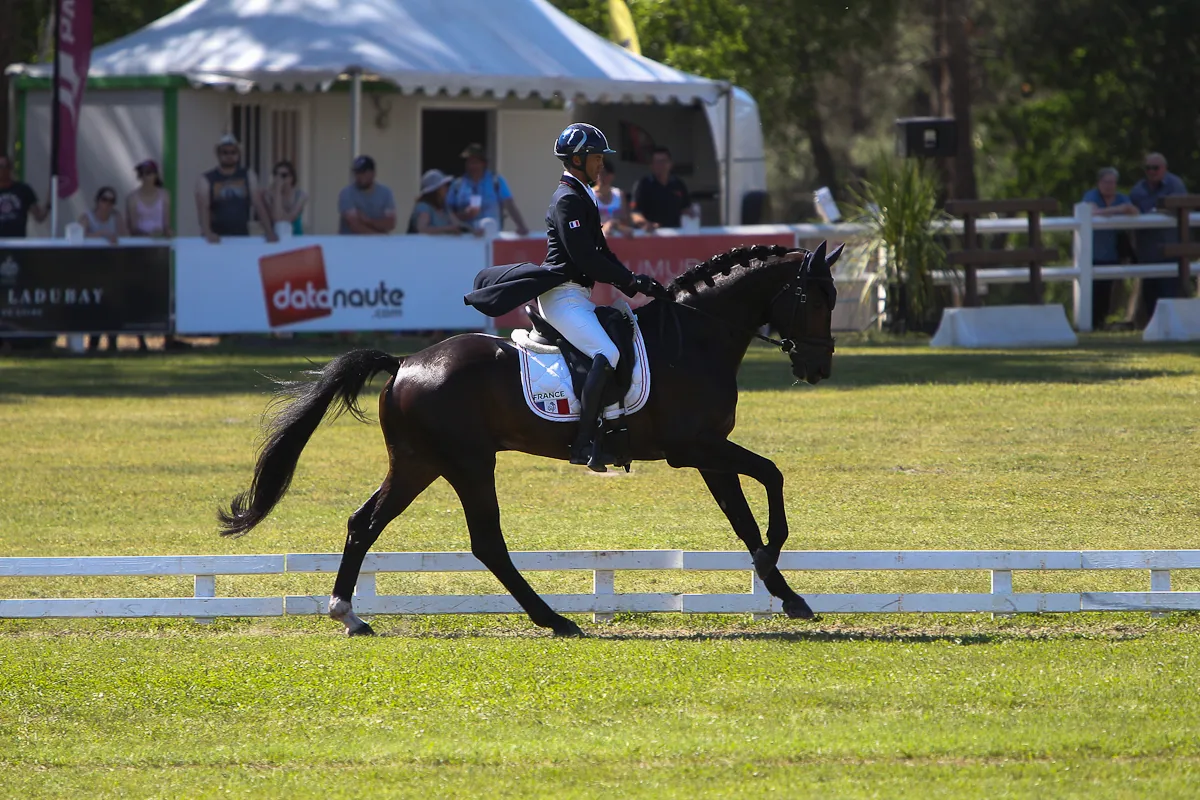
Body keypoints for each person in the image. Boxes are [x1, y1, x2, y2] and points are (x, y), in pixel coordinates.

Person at [540, 123, 671, 470]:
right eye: (597, 157)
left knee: (619, 335)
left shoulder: (584, 195)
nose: (602, 164)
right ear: (579, 159)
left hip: (577, 296)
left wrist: (635, 283)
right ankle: (584, 444)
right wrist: (630, 279)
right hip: (561, 296)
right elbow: (585, 258)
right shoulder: (567, 199)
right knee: (607, 351)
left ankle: (610, 427)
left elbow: (603, 252)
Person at [1130, 152, 1188, 320]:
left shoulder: (1175, 185)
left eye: (1155, 168)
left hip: (1171, 249)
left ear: (1164, 168)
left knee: (1169, 292)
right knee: (1150, 294)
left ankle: (1172, 325)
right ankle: (1152, 326)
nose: (1152, 171)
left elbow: (1180, 208)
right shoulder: (1139, 189)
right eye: (1148, 168)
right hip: (1148, 250)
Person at [1081, 167, 1137, 328]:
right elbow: (1090, 211)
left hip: (1111, 252)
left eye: (1112, 182)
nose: (1109, 186)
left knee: (1106, 290)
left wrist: (1107, 211)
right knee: (1091, 290)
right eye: (1106, 182)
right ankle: (1090, 322)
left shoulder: (1121, 197)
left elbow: (1134, 210)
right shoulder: (1091, 196)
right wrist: (1119, 210)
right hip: (1091, 253)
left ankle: (1099, 322)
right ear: (1099, 182)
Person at [195, 134, 276, 244]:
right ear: (218, 154)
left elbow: (258, 204)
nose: (229, 155)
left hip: (242, 237)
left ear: (238, 154)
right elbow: (203, 208)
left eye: (233, 152)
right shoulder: (206, 179)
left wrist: (269, 231)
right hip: (216, 239)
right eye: (225, 152)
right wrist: (207, 232)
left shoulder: (248, 175)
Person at [446, 143, 530, 235]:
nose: (471, 166)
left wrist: (521, 226)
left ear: (484, 163)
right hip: (465, 239)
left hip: (492, 238)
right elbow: (448, 212)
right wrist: (465, 215)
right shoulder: (457, 185)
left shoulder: (496, 181)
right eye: (469, 162)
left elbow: (509, 204)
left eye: (475, 162)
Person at [629, 146, 697, 231]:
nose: (660, 165)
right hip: (651, 235)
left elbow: (686, 207)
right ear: (651, 165)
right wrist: (645, 224)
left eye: (663, 161)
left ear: (670, 164)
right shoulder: (643, 185)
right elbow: (635, 213)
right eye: (657, 162)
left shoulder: (678, 184)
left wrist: (690, 213)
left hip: (675, 234)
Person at [338, 155, 397, 235]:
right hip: (351, 244)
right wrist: (378, 238)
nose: (359, 176)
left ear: (373, 173)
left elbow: (390, 223)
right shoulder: (347, 193)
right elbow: (354, 225)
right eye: (356, 173)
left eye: (363, 173)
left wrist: (368, 220)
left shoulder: (386, 193)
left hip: (381, 245)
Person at [407, 169, 474, 235]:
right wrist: (447, 229)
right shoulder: (424, 207)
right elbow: (422, 229)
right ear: (436, 190)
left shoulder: (445, 207)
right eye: (444, 186)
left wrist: (473, 231)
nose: (447, 189)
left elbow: (457, 223)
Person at [0, 153, 49, 238]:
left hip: (18, 244)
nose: (1, 170)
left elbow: (39, 216)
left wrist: (49, 202)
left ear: (10, 168)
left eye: (4, 166)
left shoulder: (23, 190)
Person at [126, 159, 172, 238]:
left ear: (156, 175)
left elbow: (166, 224)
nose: (145, 176)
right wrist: (146, 235)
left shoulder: (164, 195)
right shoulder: (132, 197)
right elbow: (132, 228)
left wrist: (167, 232)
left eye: (148, 172)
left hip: (159, 241)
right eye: (141, 173)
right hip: (140, 242)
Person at [263, 160, 308, 237]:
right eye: (276, 175)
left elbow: (290, 219)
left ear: (291, 178)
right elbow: (276, 219)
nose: (279, 178)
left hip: (295, 237)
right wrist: (277, 191)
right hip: (275, 237)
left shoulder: (301, 195)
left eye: (283, 175)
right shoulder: (268, 195)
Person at [594, 158, 633, 236]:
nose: (601, 177)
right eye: (599, 173)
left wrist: (615, 225)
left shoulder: (619, 194)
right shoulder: (589, 194)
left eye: (604, 173)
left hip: (617, 237)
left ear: (611, 176)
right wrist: (604, 226)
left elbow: (626, 220)